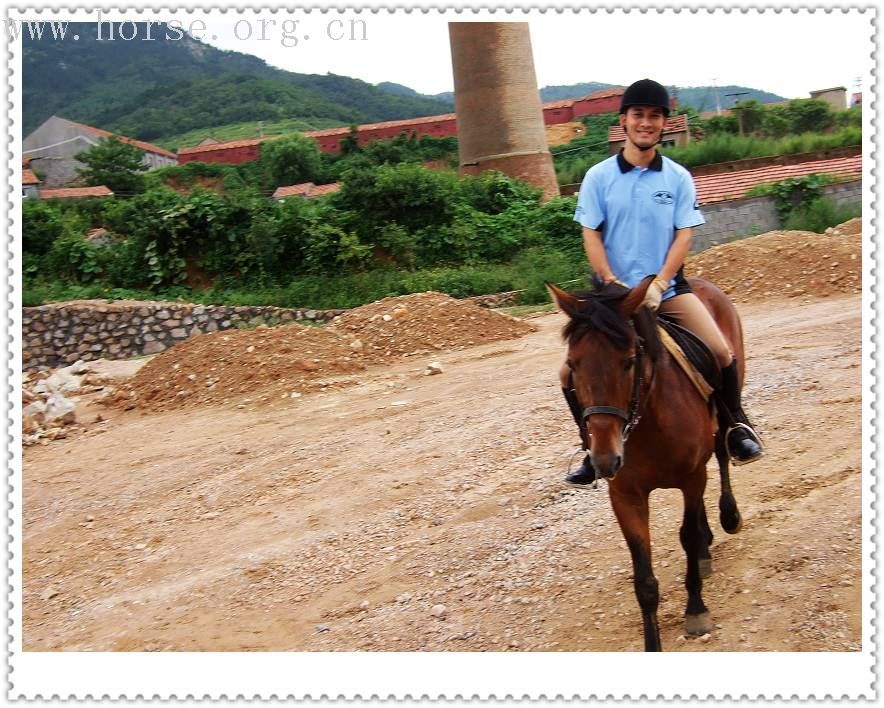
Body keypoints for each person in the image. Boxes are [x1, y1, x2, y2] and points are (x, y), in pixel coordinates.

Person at [562, 78, 763, 486]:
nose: (646, 123)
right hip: (613, 301)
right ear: (624, 121)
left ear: (663, 124)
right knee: (567, 374)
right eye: (638, 115)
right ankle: (589, 446)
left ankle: (734, 427)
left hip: (667, 293)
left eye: (654, 116)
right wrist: (613, 283)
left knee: (722, 352)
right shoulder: (598, 177)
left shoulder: (677, 178)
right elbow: (591, 235)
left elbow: (684, 234)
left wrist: (660, 284)